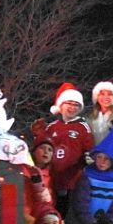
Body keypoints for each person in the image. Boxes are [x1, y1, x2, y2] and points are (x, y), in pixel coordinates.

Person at [39, 82, 94, 217]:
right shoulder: (51, 127)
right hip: (52, 180)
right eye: (69, 103)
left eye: (76, 105)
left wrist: (87, 159)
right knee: (50, 214)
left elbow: (90, 150)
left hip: (73, 182)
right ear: (61, 105)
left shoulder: (82, 127)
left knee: (68, 217)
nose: (72, 107)